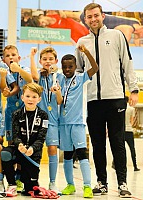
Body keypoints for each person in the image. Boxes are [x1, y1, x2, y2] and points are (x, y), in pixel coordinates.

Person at [75, 3, 139, 198]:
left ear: (102, 16)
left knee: (117, 142)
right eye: (89, 17)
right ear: (85, 19)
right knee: (97, 143)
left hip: (116, 98)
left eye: (96, 15)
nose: (93, 19)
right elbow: (78, 71)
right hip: (94, 100)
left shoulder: (116, 36)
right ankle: (101, 182)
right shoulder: (81, 42)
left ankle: (122, 183)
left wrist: (133, 89)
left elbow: (127, 63)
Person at [53, 47, 98, 198]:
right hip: (63, 123)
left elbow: (95, 67)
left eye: (70, 66)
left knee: (82, 153)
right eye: (64, 66)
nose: (67, 69)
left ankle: (87, 186)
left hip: (77, 123)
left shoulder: (81, 78)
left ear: (75, 66)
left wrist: (86, 52)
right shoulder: (58, 78)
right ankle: (70, 184)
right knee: (67, 155)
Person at [1, 82, 48, 197]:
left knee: (29, 191)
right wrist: (20, 145)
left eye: (34, 97)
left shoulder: (43, 115)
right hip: (20, 150)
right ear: (22, 97)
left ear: (39, 99)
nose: (30, 99)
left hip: (33, 153)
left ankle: (27, 180)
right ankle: (12, 184)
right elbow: (15, 135)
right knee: (5, 153)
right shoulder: (16, 114)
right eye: (27, 96)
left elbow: (41, 138)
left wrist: (32, 148)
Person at [30, 46, 64, 194]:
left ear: (56, 61)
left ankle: (52, 182)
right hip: (38, 120)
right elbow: (33, 76)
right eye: (44, 59)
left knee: (52, 149)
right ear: (40, 61)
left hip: (53, 120)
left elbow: (59, 101)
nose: (48, 61)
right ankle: (32, 180)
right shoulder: (38, 75)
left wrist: (57, 93)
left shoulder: (60, 77)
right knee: (35, 150)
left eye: (51, 59)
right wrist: (31, 56)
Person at [1, 45, 33, 193]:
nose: (11, 57)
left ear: (19, 58)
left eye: (14, 55)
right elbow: (3, 90)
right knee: (11, 145)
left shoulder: (23, 69)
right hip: (9, 114)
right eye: (8, 56)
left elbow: (31, 79)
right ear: (4, 59)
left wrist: (18, 69)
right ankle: (11, 178)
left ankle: (20, 177)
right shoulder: (4, 73)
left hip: (24, 114)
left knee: (23, 145)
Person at [113, 96, 140, 172]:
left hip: (121, 130)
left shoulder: (119, 109)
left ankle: (115, 164)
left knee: (119, 148)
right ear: (128, 100)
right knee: (132, 149)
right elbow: (132, 120)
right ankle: (135, 166)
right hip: (129, 130)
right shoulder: (131, 109)